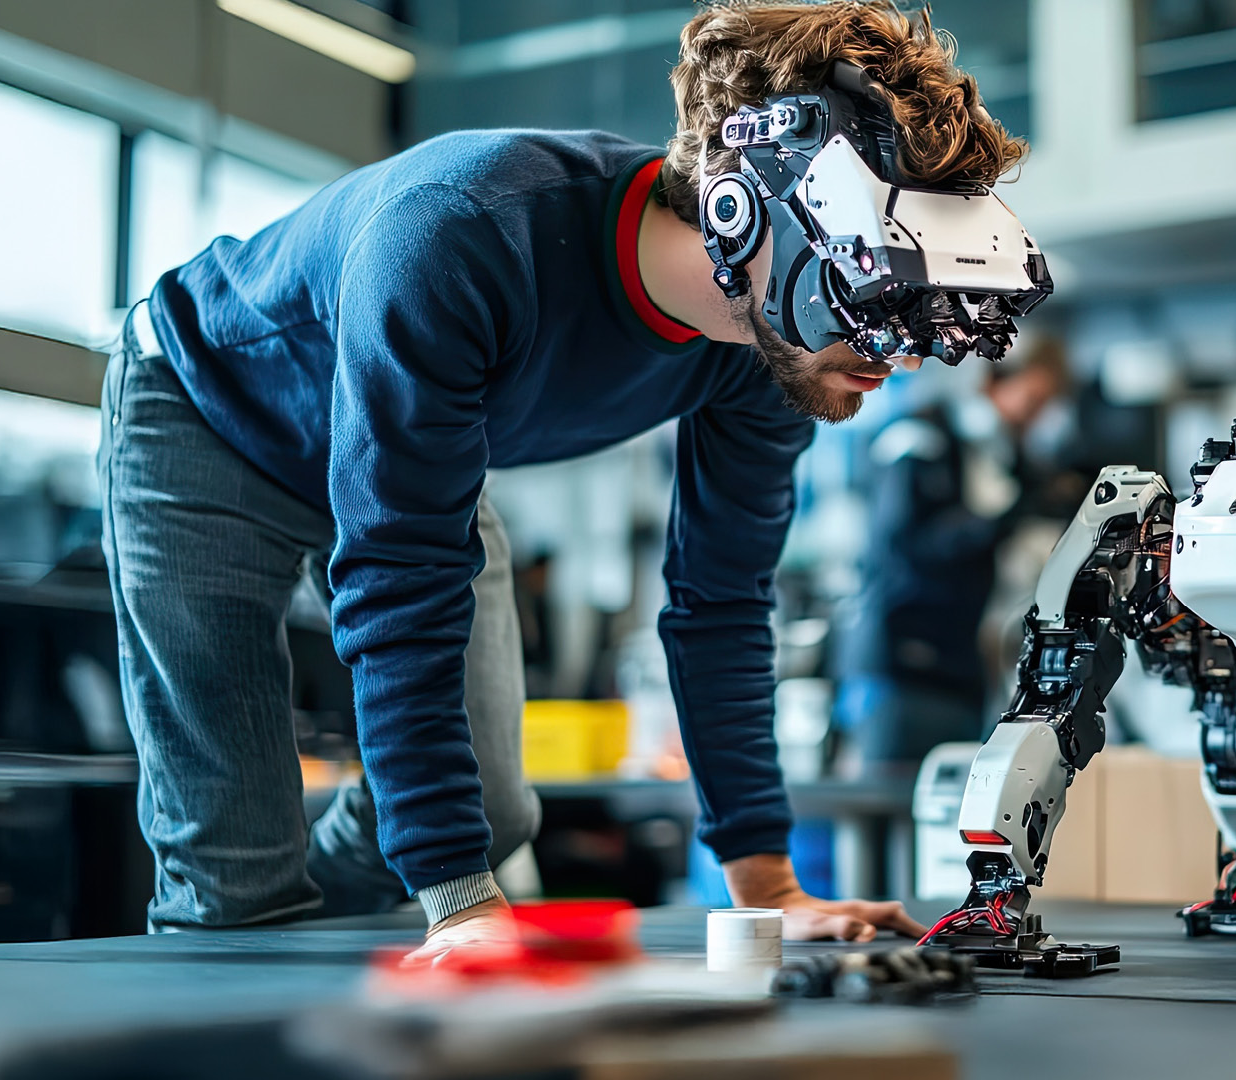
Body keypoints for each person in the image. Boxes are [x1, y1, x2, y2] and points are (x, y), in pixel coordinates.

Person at [100, 0, 1034, 961]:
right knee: (243, 870)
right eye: (869, 290)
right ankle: (269, 901)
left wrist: (770, 889)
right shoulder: (462, 232)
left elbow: (721, 602)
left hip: (413, 464)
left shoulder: (771, 346)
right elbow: (400, 573)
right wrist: (461, 905)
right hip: (207, 420)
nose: (898, 355)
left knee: (491, 815)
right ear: (738, 207)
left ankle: (324, 904)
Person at [834, 339, 1073, 768]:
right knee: (891, 810)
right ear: (994, 381)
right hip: (904, 666)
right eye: (1032, 400)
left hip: (962, 666)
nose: (1033, 418)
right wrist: (1009, 516)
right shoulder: (917, 437)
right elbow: (912, 544)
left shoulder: (1002, 455)